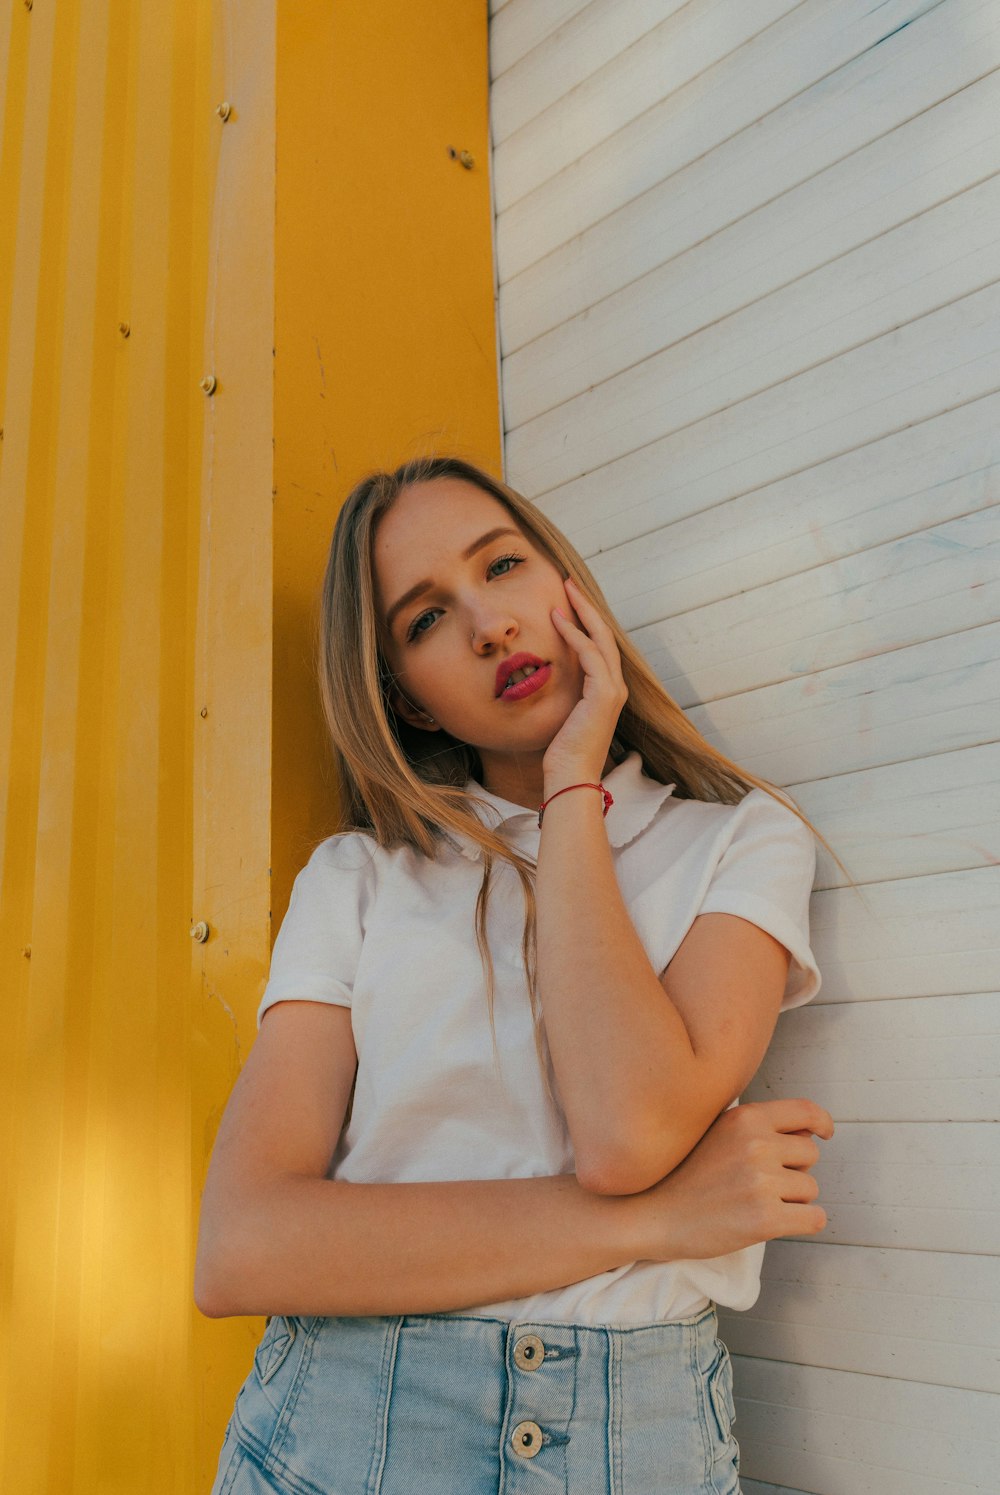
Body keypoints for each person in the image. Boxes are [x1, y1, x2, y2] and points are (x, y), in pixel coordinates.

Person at [195, 454, 836, 1495]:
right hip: (349, 1434)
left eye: (501, 566)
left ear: (569, 587)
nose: (488, 624)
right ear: (411, 703)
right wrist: (650, 1224)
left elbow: (627, 1131)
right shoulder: (358, 881)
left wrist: (571, 786)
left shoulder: (741, 843)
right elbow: (244, 1245)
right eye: (425, 619)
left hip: (637, 1438)